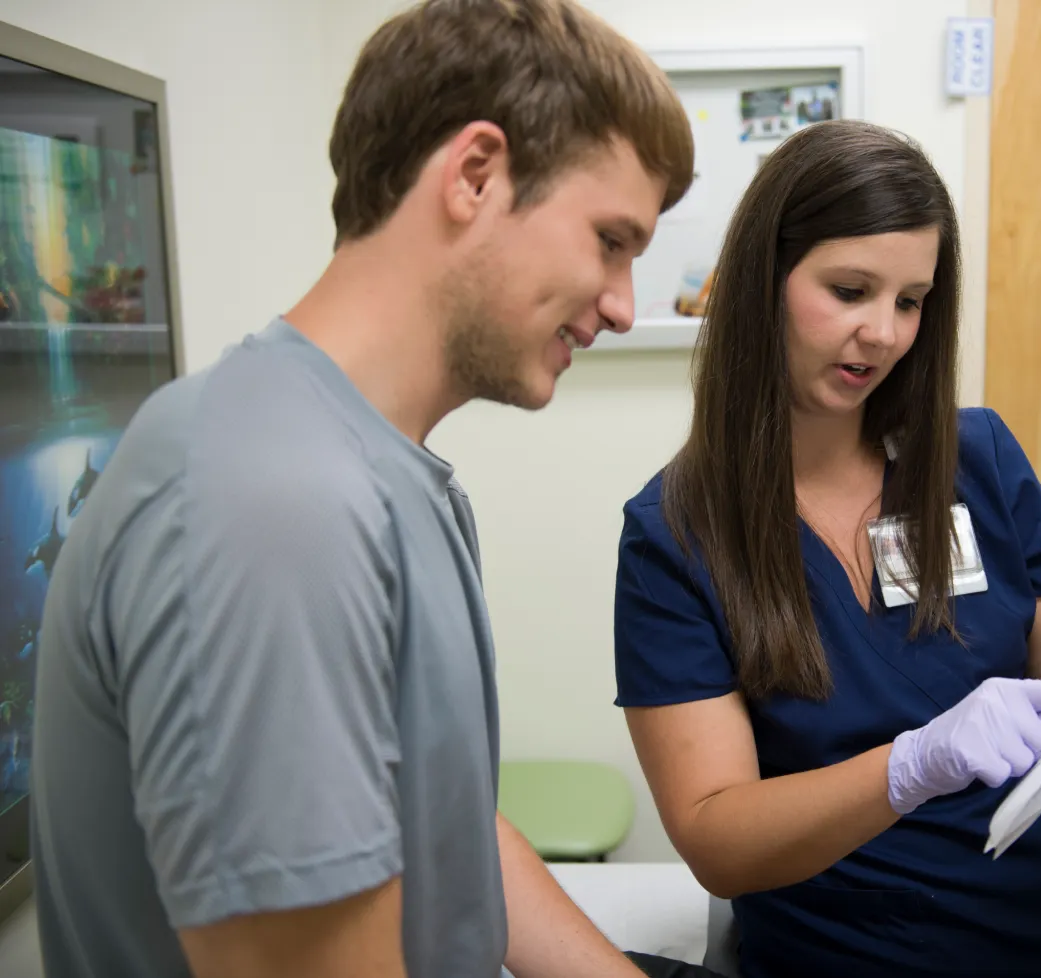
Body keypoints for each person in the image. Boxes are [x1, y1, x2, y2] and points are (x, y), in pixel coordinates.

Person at [30, 2, 718, 977]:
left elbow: (443, 823)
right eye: (610, 241)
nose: (620, 305)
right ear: (474, 176)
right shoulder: (270, 498)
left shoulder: (373, 467)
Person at [613, 120, 1041, 977]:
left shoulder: (973, 457)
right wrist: (910, 768)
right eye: (850, 289)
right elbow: (717, 834)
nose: (884, 334)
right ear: (765, 280)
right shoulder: (678, 537)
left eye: (910, 301)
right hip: (857, 949)